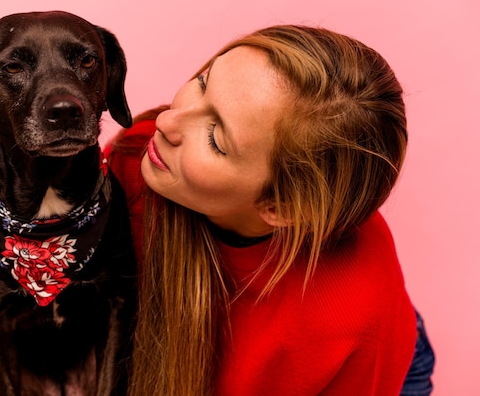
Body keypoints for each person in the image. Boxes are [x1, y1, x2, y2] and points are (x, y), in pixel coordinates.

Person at [105, 25, 435, 395]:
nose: (165, 122)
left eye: (215, 139)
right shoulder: (138, 158)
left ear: (278, 206)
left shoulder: (350, 314)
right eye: (203, 82)